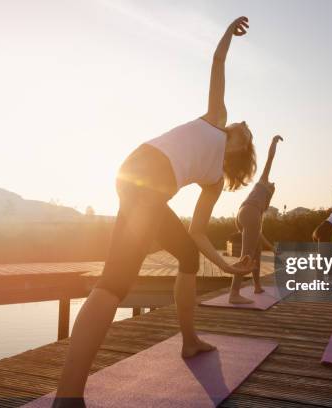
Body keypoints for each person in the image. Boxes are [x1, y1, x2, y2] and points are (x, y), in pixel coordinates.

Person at [53, 16, 255, 407]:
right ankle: (68, 394)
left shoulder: (213, 180)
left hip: (144, 186)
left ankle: (191, 341)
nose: (243, 123)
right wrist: (228, 33)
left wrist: (228, 268)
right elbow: (218, 64)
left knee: (187, 254)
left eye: (248, 130)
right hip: (143, 176)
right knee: (114, 283)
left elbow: (197, 233)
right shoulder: (216, 119)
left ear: (241, 148)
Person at [229, 135, 283, 304]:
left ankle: (257, 286)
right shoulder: (262, 183)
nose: (272, 184)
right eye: (271, 184)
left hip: (243, 214)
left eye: (273, 186)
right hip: (247, 212)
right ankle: (234, 294)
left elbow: (258, 234)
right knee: (246, 256)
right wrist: (273, 142)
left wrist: (273, 249)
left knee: (255, 253)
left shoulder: (261, 206)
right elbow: (270, 160)